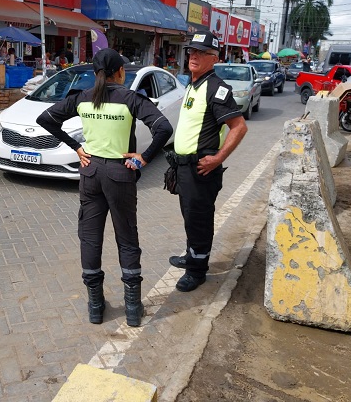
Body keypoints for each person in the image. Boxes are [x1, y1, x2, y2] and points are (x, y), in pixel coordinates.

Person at [36, 48, 173, 326]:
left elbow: (46, 120)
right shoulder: (130, 99)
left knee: (90, 236)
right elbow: (163, 128)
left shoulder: (84, 98)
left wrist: (77, 148)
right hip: (120, 173)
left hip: (90, 171)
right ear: (119, 72)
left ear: (96, 73)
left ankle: (95, 307)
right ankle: (133, 310)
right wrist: (144, 158)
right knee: (126, 237)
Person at [167, 29, 248, 292]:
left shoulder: (216, 88)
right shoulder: (193, 84)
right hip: (184, 168)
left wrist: (218, 158)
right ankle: (193, 256)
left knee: (199, 219)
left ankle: (197, 271)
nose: (194, 56)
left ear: (215, 58)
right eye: (192, 51)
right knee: (190, 217)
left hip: (200, 170)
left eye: (203, 53)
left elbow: (239, 127)